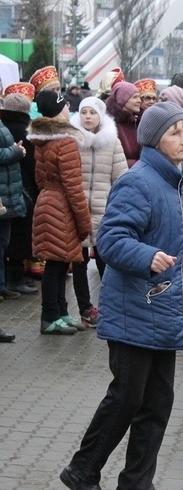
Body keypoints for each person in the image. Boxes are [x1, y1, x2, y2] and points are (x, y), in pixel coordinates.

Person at [59, 102, 183, 490]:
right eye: (176, 131)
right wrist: (146, 256)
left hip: (161, 313)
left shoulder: (178, 186)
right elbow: (109, 239)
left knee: (157, 403)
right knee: (126, 397)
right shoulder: (138, 182)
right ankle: (82, 470)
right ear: (153, 139)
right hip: (133, 313)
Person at [28, 90, 91, 334]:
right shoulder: (65, 141)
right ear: (58, 110)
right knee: (56, 266)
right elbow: (73, 186)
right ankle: (50, 317)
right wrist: (84, 222)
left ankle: (62, 312)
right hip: (61, 206)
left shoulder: (42, 139)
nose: (68, 107)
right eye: (64, 104)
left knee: (60, 263)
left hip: (46, 201)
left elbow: (39, 178)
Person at [69, 96, 128, 326]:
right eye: (84, 112)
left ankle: (110, 306)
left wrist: (119, 206)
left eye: (92, 113)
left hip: (105, 210)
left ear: (100, 115)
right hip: (79, 210)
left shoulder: (112, 142)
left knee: (107, 260)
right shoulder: (72, 140)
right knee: (79, 262)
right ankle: (85, 309)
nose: (88, 117)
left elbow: (121, 177)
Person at [0, 92, 37, 297]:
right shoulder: (25, 130)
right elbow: (31, 163)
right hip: (20, 188)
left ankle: (8, 280)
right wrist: (17, 152)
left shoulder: (5, 126)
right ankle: (15, 278)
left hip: (11, 186)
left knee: (7, 237)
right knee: (18, 235)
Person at [0, 110, 27, 303]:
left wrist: (13, 148)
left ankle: (2, 285)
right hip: (3, 192)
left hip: (6, 193)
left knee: (2, 243)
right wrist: (15, 151)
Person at [106, 81, 141, 167]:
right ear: (123, 100)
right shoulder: (111, 125)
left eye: (139, 97)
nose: (139, 101)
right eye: (135, 97)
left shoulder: (138, 122)